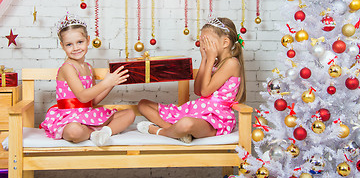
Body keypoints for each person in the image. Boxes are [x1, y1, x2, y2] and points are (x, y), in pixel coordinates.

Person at [137, 17, 246, 143]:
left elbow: (205, 92)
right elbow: (198, 91)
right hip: (199, 109)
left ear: (225, 43)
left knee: (186, 123)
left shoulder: (232, 63)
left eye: (207, 41)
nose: (204, 45)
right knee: (143, 104)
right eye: (202, 41)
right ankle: (175, 131)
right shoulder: (216, 63)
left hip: (215, 119)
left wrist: (210, 60)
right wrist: (204, 59)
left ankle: (160, 131)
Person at [40, 15, 135, 146]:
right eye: (69, 44)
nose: (76, 48)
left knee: (129, 114)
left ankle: (102, 132)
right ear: (62, 46)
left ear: (88, 40)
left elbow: (93, 100)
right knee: (74, 131)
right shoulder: (68, 68)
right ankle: (93, 133)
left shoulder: (88, 68)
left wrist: (111, 84)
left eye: (80, 42)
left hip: (87, 115)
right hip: (70, 119)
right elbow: (83, 97)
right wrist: (105, 83)